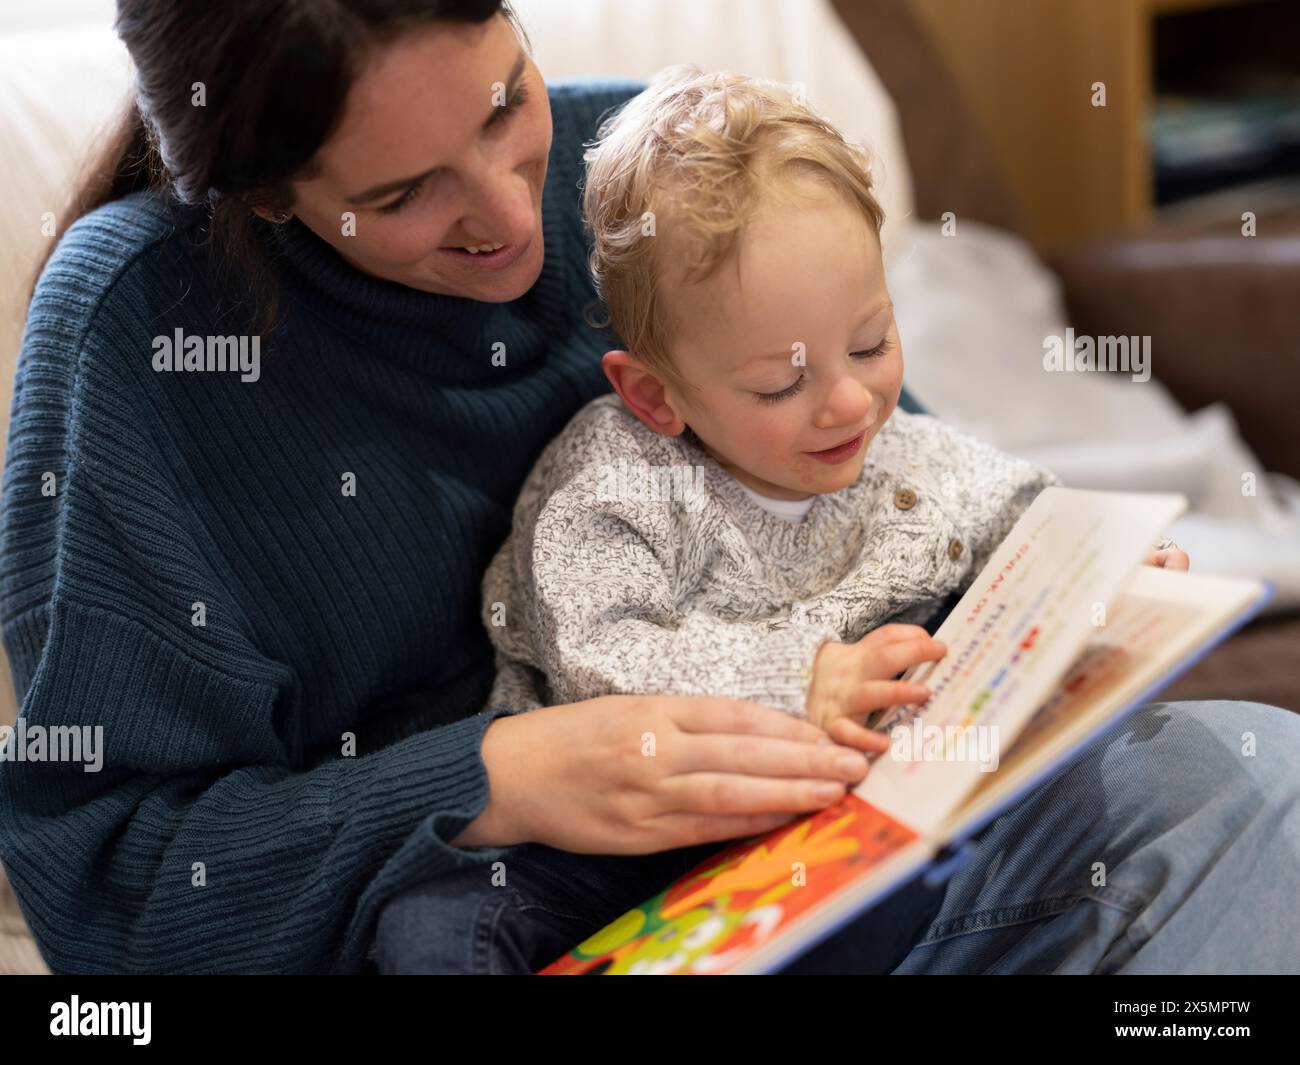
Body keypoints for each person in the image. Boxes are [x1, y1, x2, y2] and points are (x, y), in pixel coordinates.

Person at [2, 1, 1297, 976]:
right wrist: (496, 777)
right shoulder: (142, 334)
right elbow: (114, 871)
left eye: (507, 103)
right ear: (269, 193)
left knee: (1249, 771)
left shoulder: (643, 186)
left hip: (835, 864)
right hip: (515, 919)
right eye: (404, 194)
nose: (511, 213)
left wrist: (1060, 589)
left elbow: (901, 489)